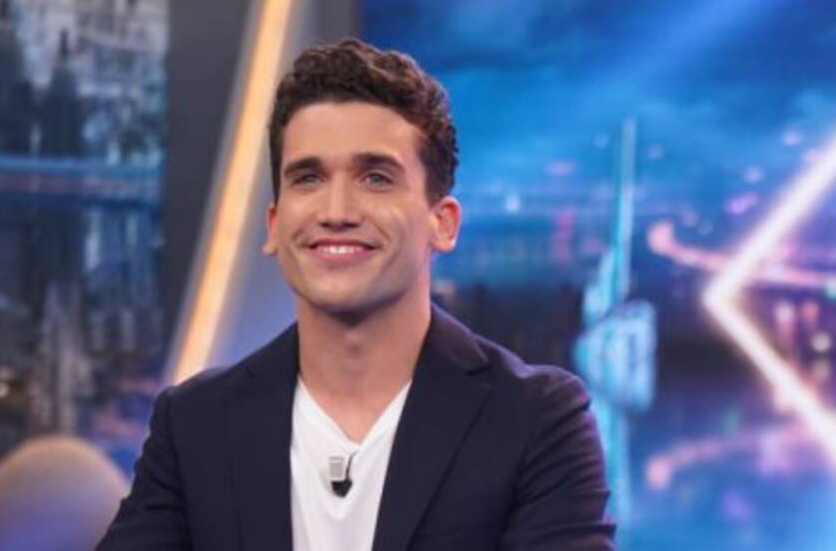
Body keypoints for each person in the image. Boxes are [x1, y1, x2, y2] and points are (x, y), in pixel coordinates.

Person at [98, 39, 614, 550]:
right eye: (308, 178)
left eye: (375, 178)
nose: (336, 211)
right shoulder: (195, 424)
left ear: (443, 223)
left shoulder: (537, 421)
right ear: (274, 225)